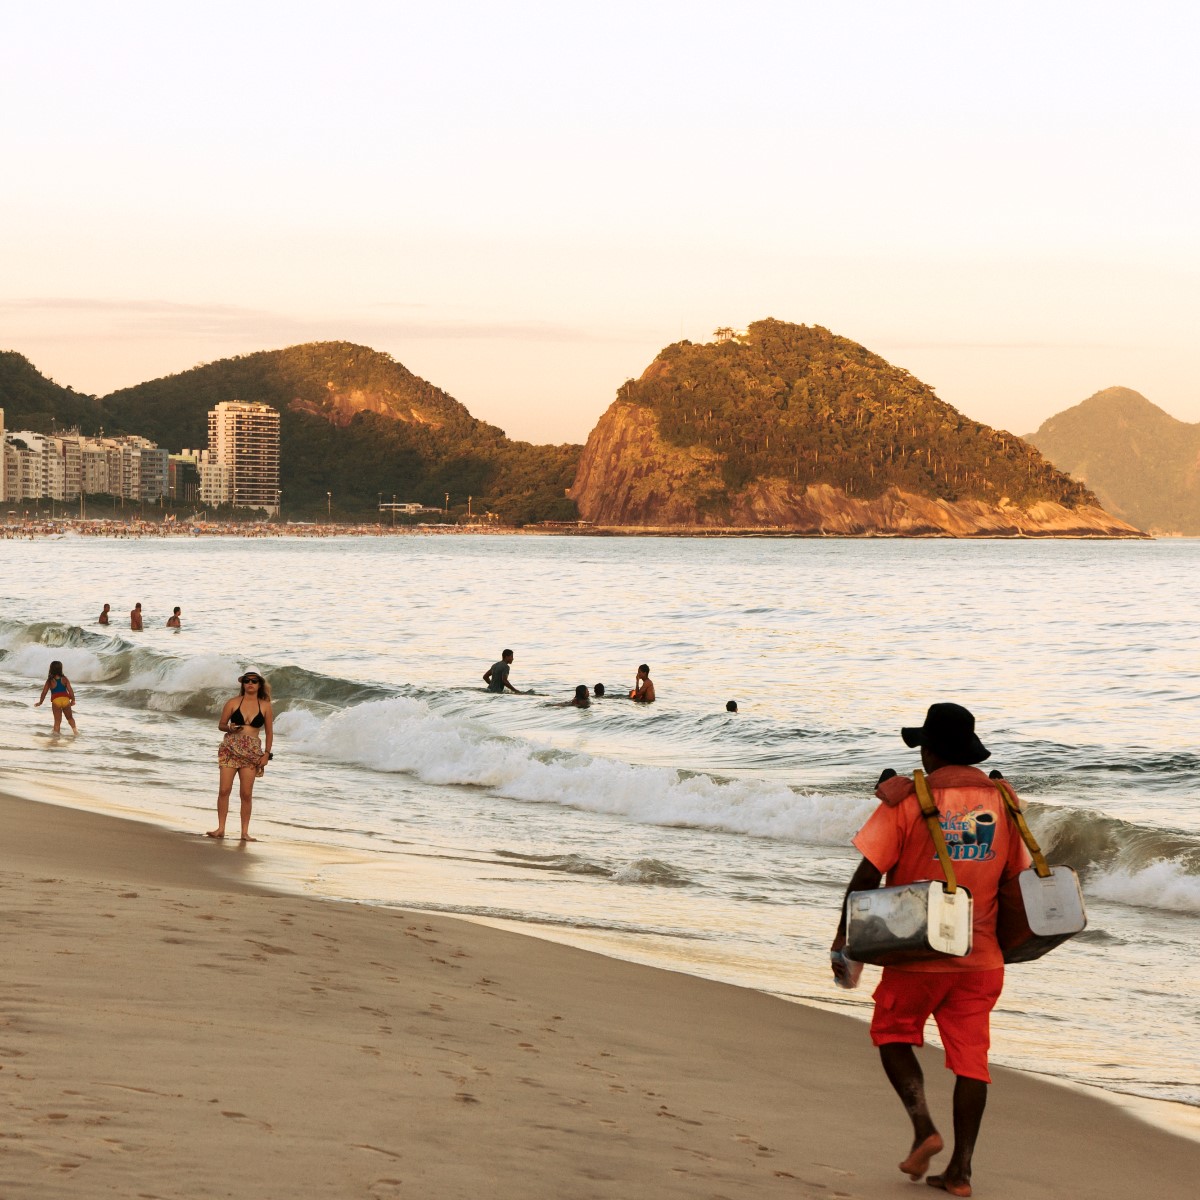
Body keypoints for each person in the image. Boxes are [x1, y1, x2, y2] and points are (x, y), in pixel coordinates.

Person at [830, 703, 1030, 1198]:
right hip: (981, 958)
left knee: (893, 1032)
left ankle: (924, 1128)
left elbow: (866, 876)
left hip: (916, 951)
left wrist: (844, 941)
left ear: (930, 748)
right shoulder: (1004, 800)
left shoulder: (907, 799)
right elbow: (1016, 879)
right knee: (972, 1061)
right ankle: (961, 1171)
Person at [208, 671, 274, 841]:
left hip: (251, 752)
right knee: (224, 790)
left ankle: (244, 832)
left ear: (259, 684)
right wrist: (229, 728)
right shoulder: (233, 702)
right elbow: (221, 725)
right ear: (243, 684)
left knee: (246, 793)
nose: (250, 683)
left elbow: (269, 732)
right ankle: (220, 829)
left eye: (254, 681)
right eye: (246, 681)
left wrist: (267, 754)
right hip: (230, 748)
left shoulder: (265, 706)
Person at [35, 660, 77, 734]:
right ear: (61, 669)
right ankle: (75, 732)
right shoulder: (64, 679)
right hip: (65, 700)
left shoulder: (50, 680)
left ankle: (55, 738)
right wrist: (73, 700)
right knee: (70, 718)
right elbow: (70, 690)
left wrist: (40, 702)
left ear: (51, 669)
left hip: (56, 701)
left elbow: (44, 692)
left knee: (57, 721)